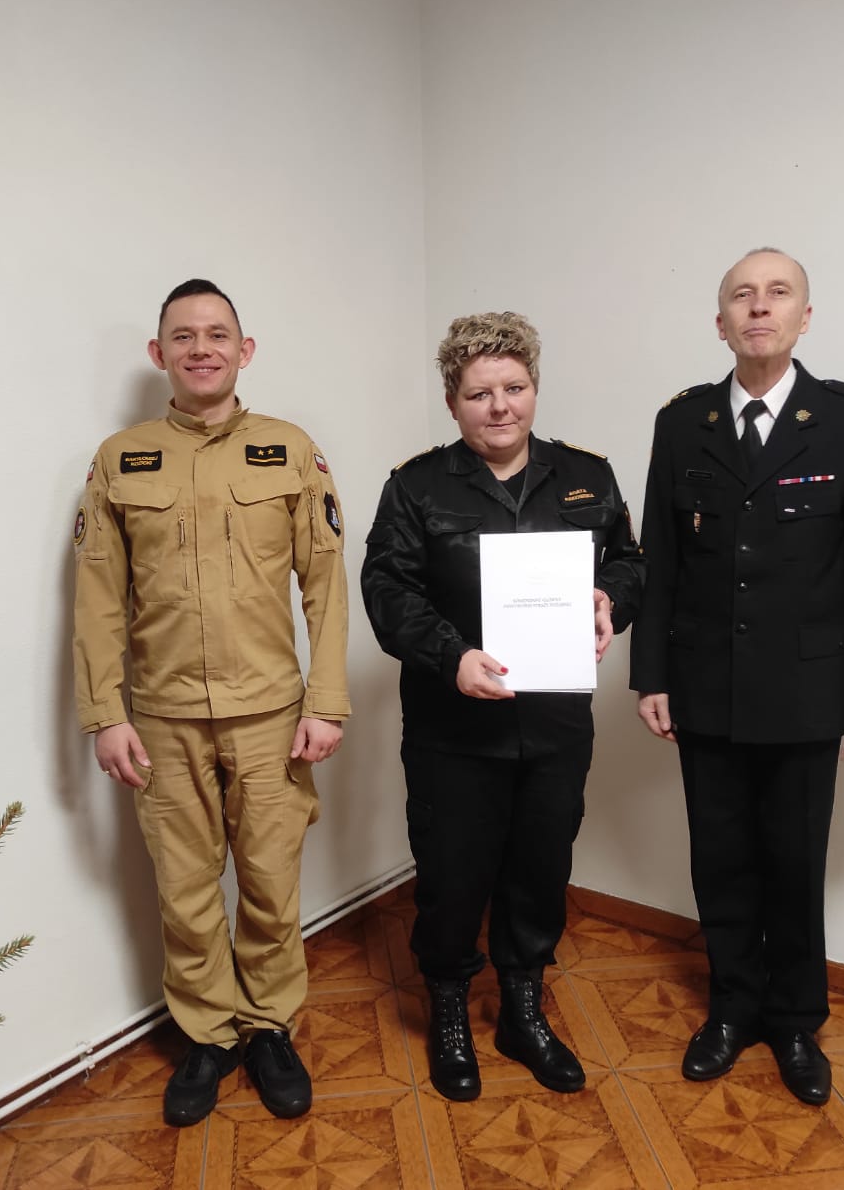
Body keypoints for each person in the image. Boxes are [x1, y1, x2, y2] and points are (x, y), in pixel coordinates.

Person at [630, 249, 844, 1105]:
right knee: (719, 860)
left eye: (777, 293)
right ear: (720, 323)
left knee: (793, 861)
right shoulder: (683, 421)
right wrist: (650, 674)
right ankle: (731, 1008)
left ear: (803, 317)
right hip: (705, 685)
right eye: (741, 297)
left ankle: (793, 1021)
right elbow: (661, 558)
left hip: (806, 690)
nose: (759, 307)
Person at [72, 279, 350, 1127]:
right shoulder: (120, 459)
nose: (202, 348)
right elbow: (96, 597)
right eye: (184, 335)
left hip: (271, 714)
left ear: (244, 350)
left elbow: (326, 584)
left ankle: (267, 1026)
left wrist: (326, 700)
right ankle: (207, 1034)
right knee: (185, 889)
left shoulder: (290, 450)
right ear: (159, 353)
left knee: (270, 881)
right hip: (162, 718)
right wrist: (105, 713)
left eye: (218, 333)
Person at [362, 311, 644, 1101]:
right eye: (479, 393)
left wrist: (610, 600)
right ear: (452, 401)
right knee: (452, 876)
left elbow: (631, 562)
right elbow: (387, 590)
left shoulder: (587, 475)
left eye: (514, 388)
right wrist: (451, 654)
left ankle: (523, 1008)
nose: (499, 406)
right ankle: (449, 1007)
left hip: (556, 726)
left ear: (534, 388)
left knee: (540, 868)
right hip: (454, 730)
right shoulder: (416, 485)